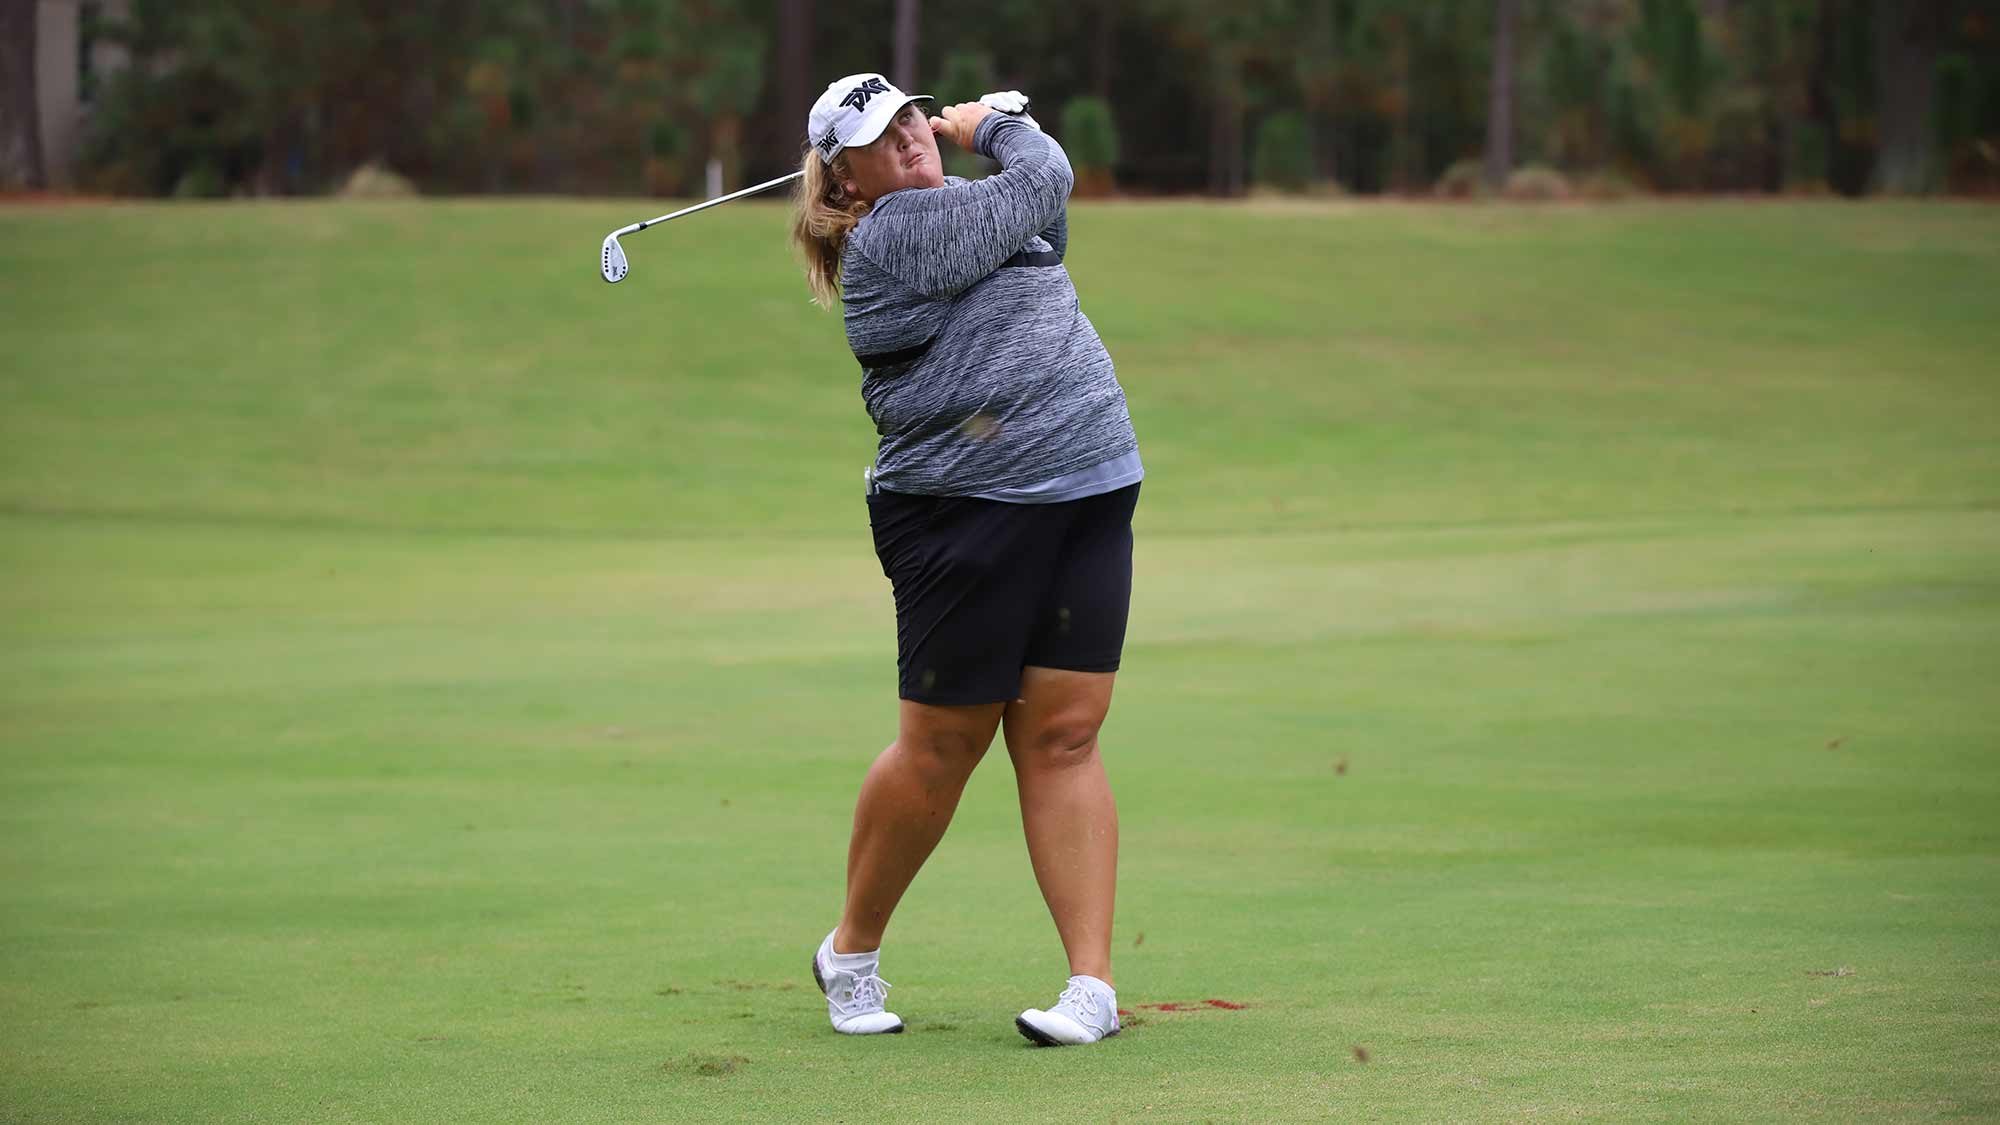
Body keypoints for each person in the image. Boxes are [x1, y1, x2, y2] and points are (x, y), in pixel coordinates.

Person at [788, 73, 1143, 1047]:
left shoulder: (962, 212)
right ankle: (850, 949)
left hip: (1088, 493)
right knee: (944, 746)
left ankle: (1091, 988)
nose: (906, 137)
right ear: (845, 178)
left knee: (1063, 736)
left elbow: (1043, 235)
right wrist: (998, 125)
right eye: (877, 134)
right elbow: (1047, 182)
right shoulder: (892, 237)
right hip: (960, 516)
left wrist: (993, 149)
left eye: (909, 116)